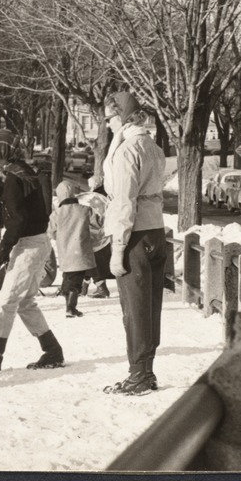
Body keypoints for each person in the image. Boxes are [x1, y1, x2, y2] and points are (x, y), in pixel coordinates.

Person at [0, 129, 65, 373]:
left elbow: (17, 220)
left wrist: (2, 251)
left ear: (2, 149)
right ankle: (52, 351)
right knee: (25, 303)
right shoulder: (27, 172)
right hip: (40, 242)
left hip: (29, 245)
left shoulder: (14, 178)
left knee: (7, 302)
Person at [102, 91, 167, 395]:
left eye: (110, 117)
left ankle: (138, 374)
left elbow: (125, 202)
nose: (107, 123)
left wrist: (118, 248)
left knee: (134, 307)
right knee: (151, 306)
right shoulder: (153, 147)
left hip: (135, 234)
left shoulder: (128, 150)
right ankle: (146, 370)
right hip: (155, 230)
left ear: (123, 117)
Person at [48, 180, 96, 318]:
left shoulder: (57, 213)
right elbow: (98, 225)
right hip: (81, 251)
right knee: (76, 281)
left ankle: (68, 305)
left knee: (68, 276)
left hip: (65, 251)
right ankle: (71, 308)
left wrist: (60, 238)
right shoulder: (85, 210)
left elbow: (50, 232)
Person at [78, 175, 112, 298]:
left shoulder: (94, 198)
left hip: (95, 234)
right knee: (92, 260)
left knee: (91, 261)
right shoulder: (106, 195)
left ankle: (101, 288)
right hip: (104, 235)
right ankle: (84, 286)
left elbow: (95, 219)